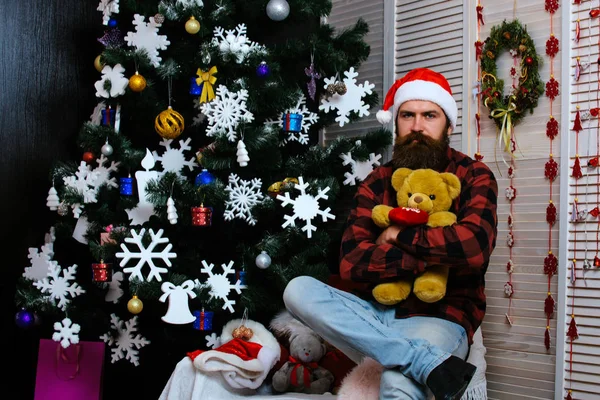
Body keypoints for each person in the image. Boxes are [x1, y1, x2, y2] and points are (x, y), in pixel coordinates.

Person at [283, 68, 498, 400]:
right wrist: (432, 255)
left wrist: (397, 237)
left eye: (430, 115)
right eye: (407, 115)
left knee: (398, 384)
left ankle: (415, 358)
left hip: (441, 316)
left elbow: (472, 247)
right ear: (396, 124)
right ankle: (423, 360)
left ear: (449, 125)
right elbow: (352, 263)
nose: (417, 126)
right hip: (376, 315)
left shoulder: (473, 175)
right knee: (297, 289)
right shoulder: (378, 181)